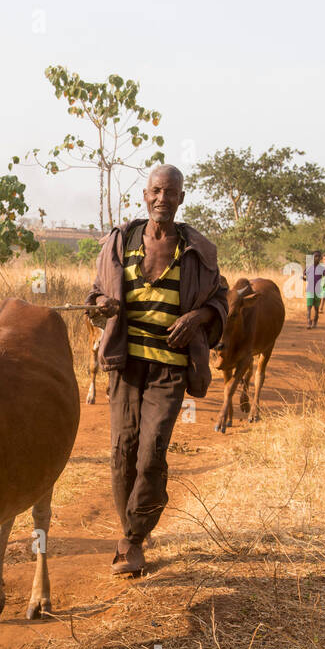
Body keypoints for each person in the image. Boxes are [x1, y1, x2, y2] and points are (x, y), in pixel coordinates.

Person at [87, 164, 228, 577]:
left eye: (171, 192)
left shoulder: (197, 251)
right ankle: (131, 528)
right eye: (156, 191)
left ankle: (131, 540)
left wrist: (197, 318)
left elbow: (220, 301)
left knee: (150, 453)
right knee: (120, 452)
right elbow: (95, 294)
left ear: (181, 199)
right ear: (145, 197)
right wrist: (100, 306)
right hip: (125, 364)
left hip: (169, 369)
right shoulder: (121, 242)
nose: (163, 198)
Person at [303, 249, 325, 328]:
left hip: (318, 291)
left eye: (318, 256)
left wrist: (324, 291)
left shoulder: (322, 269)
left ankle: (315, 321)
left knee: (316, 309)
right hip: (310, 290)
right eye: (315, 256)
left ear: (320, 258)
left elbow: (324, 279)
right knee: (309, 307)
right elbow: (305, 277)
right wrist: (304, 278)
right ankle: (309, 322)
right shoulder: (308, 268)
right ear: (312, 257)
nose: (317, 258)